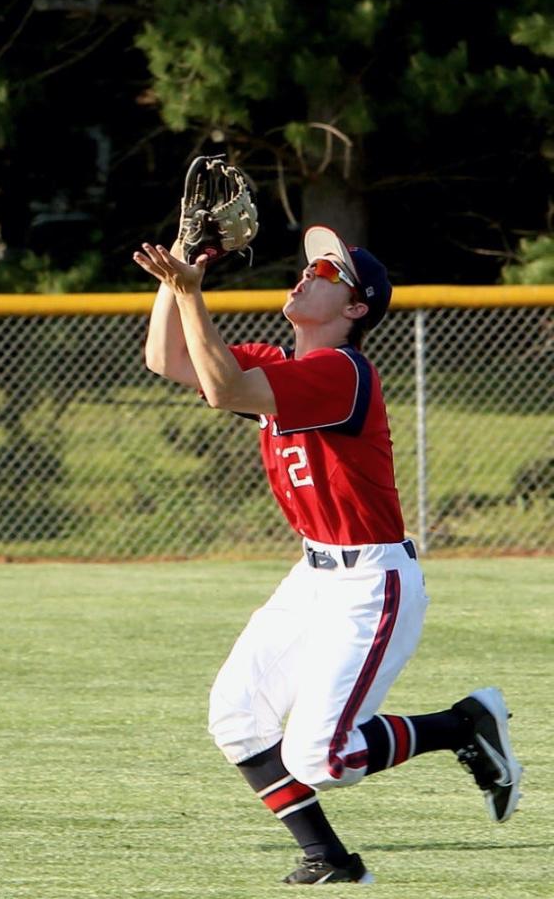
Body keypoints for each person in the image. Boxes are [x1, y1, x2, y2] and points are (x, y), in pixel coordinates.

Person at [133, 224, 522, 885]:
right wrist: (180, 274)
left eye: (328, 274)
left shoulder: (342, 370)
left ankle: (463, 724)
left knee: (323, 757)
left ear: (355, 308)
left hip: (371, 583)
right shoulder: (279, 363)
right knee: (235, 713)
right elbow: (166, 358)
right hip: (313, 575)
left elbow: (226, 389)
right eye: (310, 266)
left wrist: (194, 293)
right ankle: (331, 861)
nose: (307, 275)